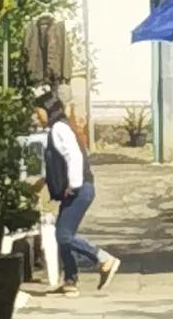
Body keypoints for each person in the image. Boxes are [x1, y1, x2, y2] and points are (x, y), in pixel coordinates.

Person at [42, 96, 118, 288]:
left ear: (48, 110)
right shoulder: (59, 127)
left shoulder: (59, 128)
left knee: (63, 235)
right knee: (64, 233)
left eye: (38, 112)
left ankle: (103, 259)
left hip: (80, 188)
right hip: (80, 188)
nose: (35, 117)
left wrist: (73, 184)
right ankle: (70, 280)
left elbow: (73, 156)